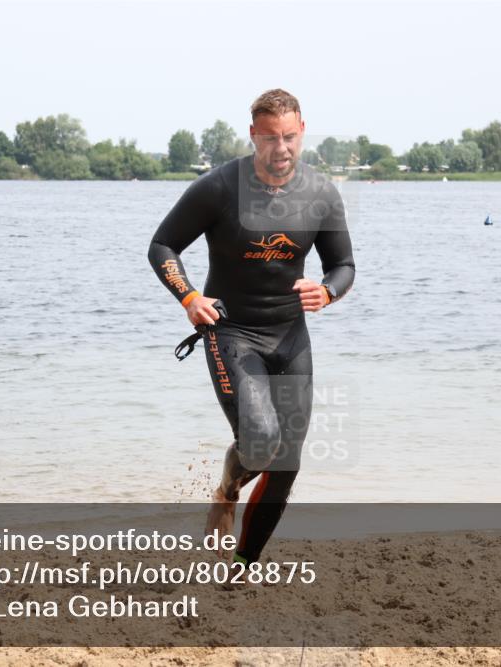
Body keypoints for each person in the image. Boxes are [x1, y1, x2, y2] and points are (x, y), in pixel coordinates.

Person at [148, 89, 355, 566]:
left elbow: (343, 266)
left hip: (289, 336)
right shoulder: (220, 187)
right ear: (253, 136)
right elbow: (163, 245)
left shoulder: (320, 193)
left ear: (302, 131)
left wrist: (326, 291)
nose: (280, 149)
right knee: (261, 444)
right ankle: (225, 491)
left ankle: (242, 564)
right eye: (269, 139)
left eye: (289, 137)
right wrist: (189, 297)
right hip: (231, 332)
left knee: (287, 461)